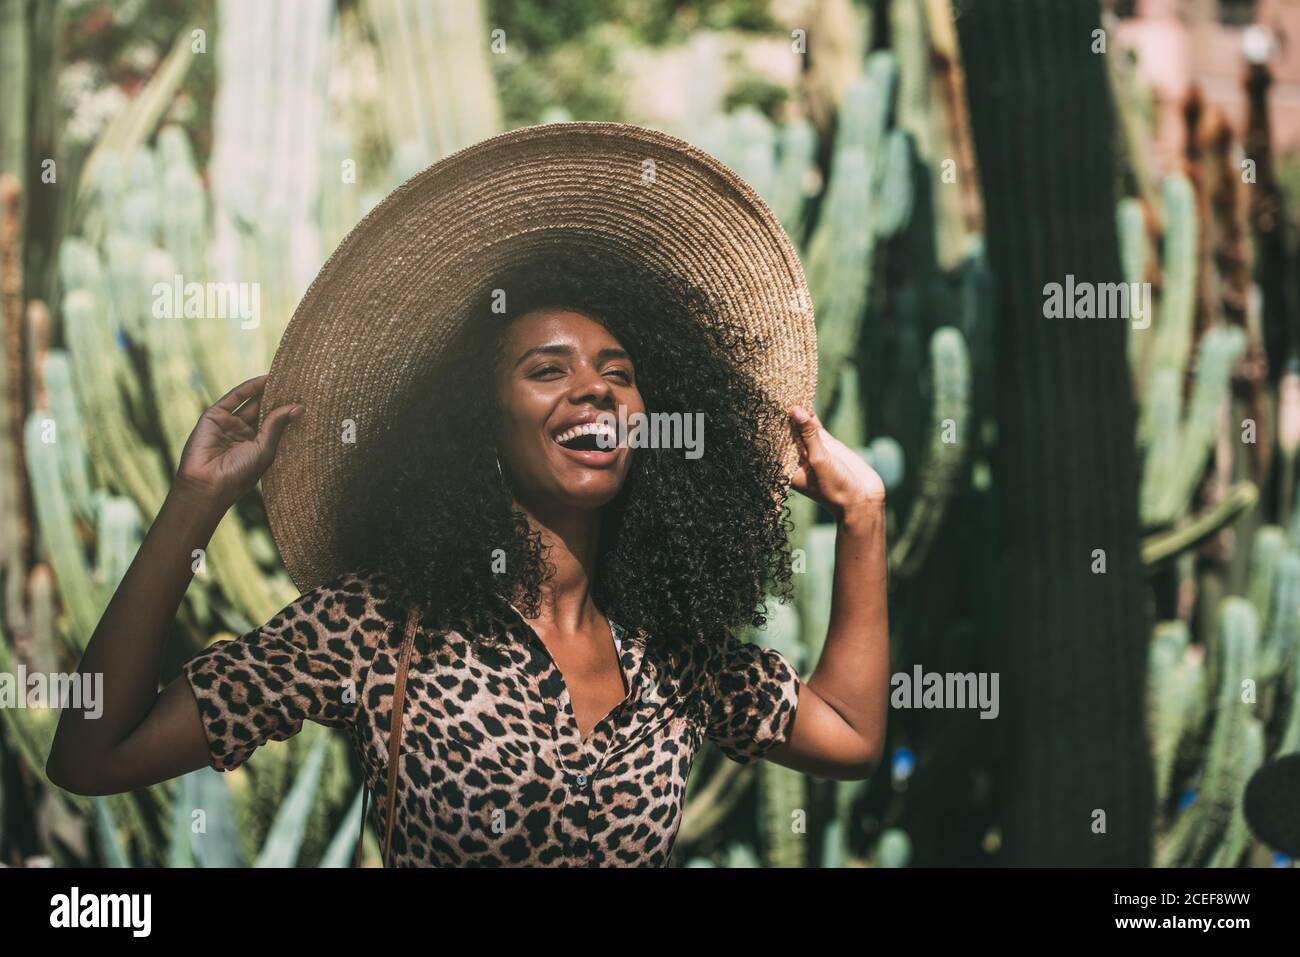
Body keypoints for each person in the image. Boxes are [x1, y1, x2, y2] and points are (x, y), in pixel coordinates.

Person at [46, 123, 891, 867]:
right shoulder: (378, 625)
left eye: (619, 374)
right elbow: (92, 756)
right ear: (478, 423)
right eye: (547, 368)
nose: (594, 390)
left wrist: (862, 515)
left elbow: (851, 737)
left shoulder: (674, 653)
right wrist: (194, 502)